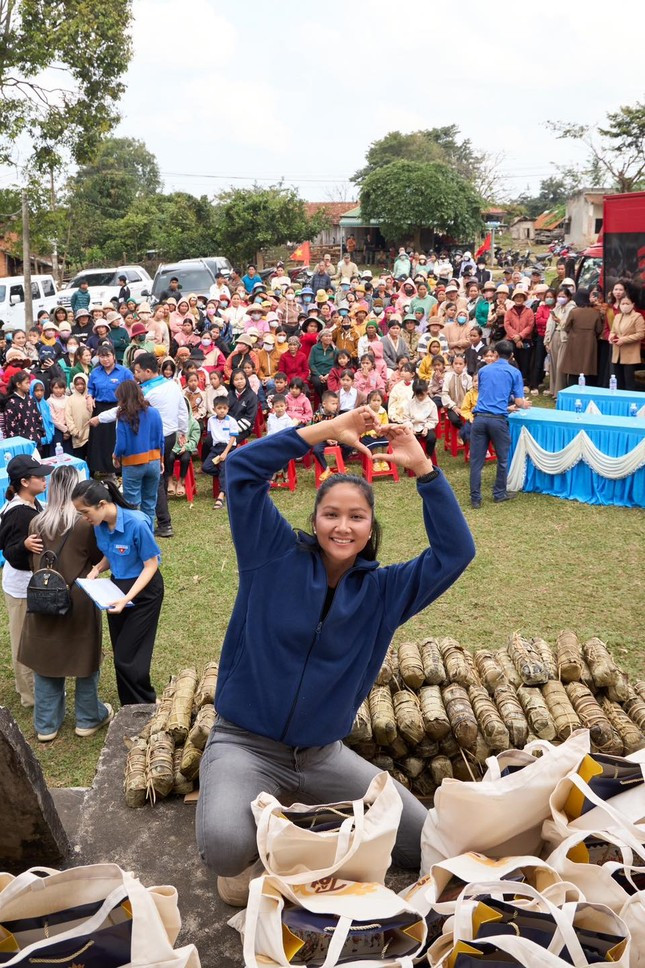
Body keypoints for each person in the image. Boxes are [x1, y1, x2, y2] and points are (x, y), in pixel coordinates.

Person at [196, 408, 475, 905]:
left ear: (370, 527)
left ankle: (291, 813)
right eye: (331, 514)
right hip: (245, 743)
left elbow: (455, 554)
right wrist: (326, 431)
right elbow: (240, 470)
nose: (342, 527)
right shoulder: (270, 556)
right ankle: (256, 813)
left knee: (423, 842)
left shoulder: (385, 592)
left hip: (322, 756)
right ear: (315, 518)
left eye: (356, 516)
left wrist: (426, 473)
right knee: (224, 848)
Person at [19, 466, 112, 742]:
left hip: (43, 597)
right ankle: (87, 717)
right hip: (79, 598)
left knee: (46, 659)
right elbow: (98, 558)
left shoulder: (36, 523)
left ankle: (46, 724)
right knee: (85, 658)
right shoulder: (84, 524)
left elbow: (31, 562)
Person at [71, 479, 163, 706]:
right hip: (116, 590)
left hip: (143, 593)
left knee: (129, 657)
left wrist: (127, 598)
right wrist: (97, 569)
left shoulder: (137, 523)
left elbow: (151, 565)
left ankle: (148, 704)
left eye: (85, 512)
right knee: (121, 653)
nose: (84, 518)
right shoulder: (99, 525)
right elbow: (111, 553)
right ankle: (129, 706)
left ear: (102, 504)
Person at [0, 455, 53, 708]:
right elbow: (7, 550)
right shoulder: (17, 512)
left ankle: (39, 685)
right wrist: (22, 545)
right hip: (20, 588)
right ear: (23, 482)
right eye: (38, 476)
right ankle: (29, 695)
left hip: (33, 585)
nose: (44, 479)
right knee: (22, 640)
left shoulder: (34, 504)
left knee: (36, 636)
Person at [469, 340, 531, 509]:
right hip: (498, 420)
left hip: (480, 418)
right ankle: (499, 493)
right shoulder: (514, 372)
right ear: (512, 355)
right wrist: (524, 404)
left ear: (495, 354)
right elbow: (518, 401)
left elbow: (484, 392)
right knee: (502, 459)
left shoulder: (483, 370)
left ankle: (475, 498)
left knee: (476, 461)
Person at [113, 380, 164, 529]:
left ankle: (135, 535)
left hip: (133, 464)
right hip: (154, 461)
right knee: (149, 502)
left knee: (132, 504)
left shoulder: (123, 416)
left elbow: (121, 444)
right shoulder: (154, 412)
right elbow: (161, 439)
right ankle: (149, 533)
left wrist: (116, 456)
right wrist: (161, 460)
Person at [86, 343, 134, 479]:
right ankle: (100, 468)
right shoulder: (95, 373)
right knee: (99, 441)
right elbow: (91, 389)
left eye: (107, 356)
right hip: (100, 408)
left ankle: (118, 469)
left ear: (114, 356)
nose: (105, 359)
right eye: (102, 356)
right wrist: (89, 397)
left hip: (119, 408)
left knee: (117, 438)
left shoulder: (124, 372)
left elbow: (132, 389)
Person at [201, 397, 239, 510]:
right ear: (214, 409)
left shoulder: (231, 421)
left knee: (223, 467)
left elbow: (232, 438)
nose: (222, 410)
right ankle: (227, 476)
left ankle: (221, 496)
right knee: (205, 467)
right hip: (216, 447)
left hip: (228, 447)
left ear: (228, 409)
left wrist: (225, 453)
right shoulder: (211, 421)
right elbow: (210, 436)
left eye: (224, 408)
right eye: (219, 408)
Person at [559, 290, 603, 386]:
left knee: (573, 368)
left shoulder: (574, 312)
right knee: (588, 366)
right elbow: (599, 329)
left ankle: (572, 387)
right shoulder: (595, 313)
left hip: (574, 341)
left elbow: (566, 327)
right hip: (590, 342)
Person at [609, 292, 645, 391]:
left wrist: (623, 340)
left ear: (633, 305)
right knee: (618, 381)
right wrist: (611, 336)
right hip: (617, 353)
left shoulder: (637, 317)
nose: (624, 306)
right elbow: (613, 331)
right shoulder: (617, 317)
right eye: (622, 304)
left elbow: (641, 334)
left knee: (629, 382)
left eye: (627, 303)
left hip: (630, 354)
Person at [3, 370, 44, 444]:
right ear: (18, 384)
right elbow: (11, 426)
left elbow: (38, 418)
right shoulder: (11, 403)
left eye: (29, 383)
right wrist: (22, 440)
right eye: (27, 383)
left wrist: (38, 434)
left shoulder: (31, 400)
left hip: (35, 441)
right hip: (20, 444)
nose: (29, 385)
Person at [406, 379, 438, 455]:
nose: (420, 397)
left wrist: (426, 428)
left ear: (427, 391)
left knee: (431, 438)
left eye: (422, 395)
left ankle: (428, 455)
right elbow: (406, 418)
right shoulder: (410, 403)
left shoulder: (431, 404)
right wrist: (410, 427)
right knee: (410, 439)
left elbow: (433, 420)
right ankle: (414, 456)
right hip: (413, 426)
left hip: (425, 426)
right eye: (418, 395)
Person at [65, 372, 91, 459]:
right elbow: (68, 417)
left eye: (82, 384)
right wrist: (74, 431)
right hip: (78, 434)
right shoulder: (71, 399)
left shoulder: (90, 397)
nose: (80, 386)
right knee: (80, 457)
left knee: (91, 457)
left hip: (91, 434)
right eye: (77, 384)